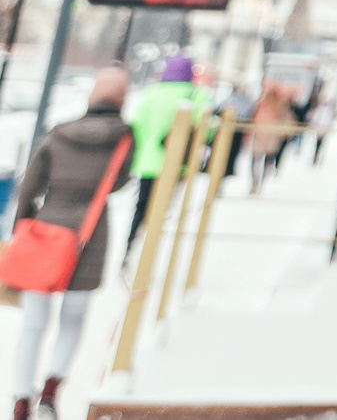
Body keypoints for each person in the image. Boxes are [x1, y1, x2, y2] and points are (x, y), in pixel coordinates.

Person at [11, 69, 133, 420]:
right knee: (73, 317)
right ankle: (50, 393)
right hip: (89, 236)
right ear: (122, 99)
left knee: (34, 322)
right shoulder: (125, 137)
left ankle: (21, 400)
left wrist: (23, 229)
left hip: (46, 229)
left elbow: (29, 187)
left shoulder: (58, 133)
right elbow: (119, 182)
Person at [123, 55, 206, 260]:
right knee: (164, 209)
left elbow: (137, 125)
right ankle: (150, 253)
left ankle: (130, 248)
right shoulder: (196, 95)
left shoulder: (151, 93)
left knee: (141, 207)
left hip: (147, 162)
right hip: (177, 164)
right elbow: (206, 130)